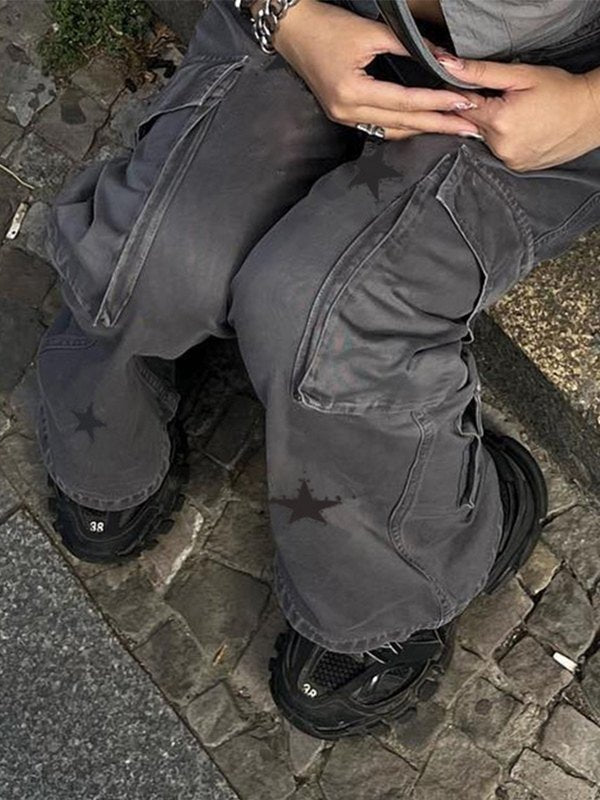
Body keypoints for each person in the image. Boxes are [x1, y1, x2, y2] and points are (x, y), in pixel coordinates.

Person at [37, 0, 600, 739]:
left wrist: (591, 105)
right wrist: (284, 14)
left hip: (546, 78)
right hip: (312, 13)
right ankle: (108, 450)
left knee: (326, 323)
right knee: (154, 258)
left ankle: (389, 587)